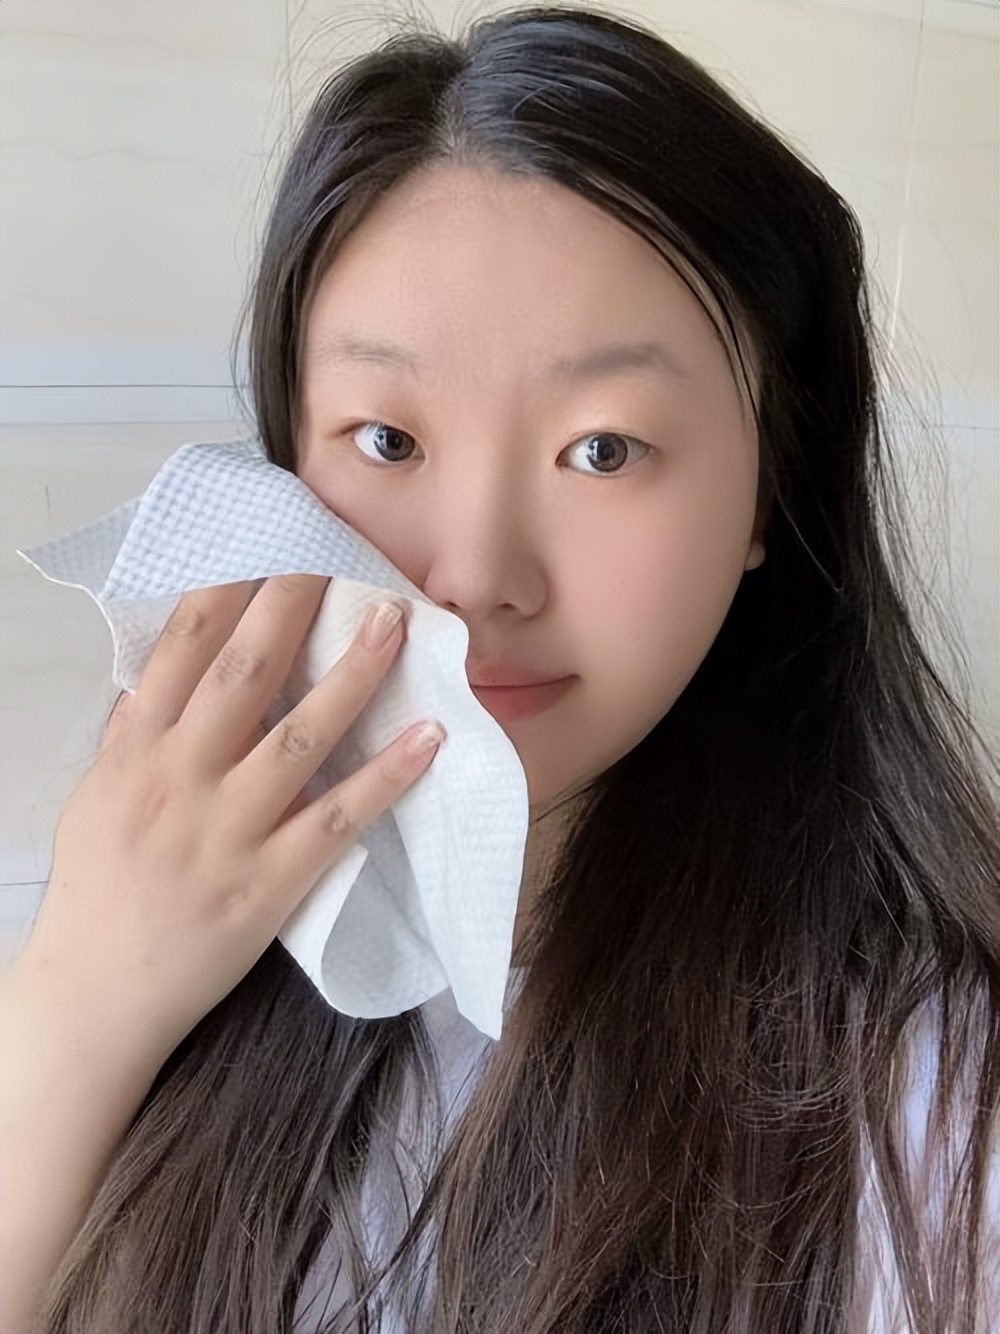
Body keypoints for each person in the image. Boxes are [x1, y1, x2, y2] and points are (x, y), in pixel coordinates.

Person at [1, 6, 996, 1332]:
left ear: (770, 491)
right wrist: (82, 993)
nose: (474, 578)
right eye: (387, 441)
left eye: (603, 450)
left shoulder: (928, 1105)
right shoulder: (170, 920)